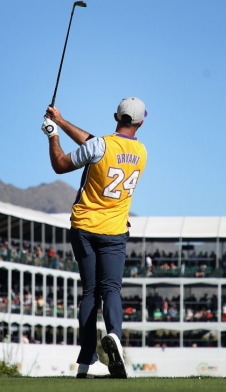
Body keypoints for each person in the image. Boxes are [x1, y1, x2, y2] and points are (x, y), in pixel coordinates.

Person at [42, 97, 148, 379]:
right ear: (141, 122)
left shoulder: (99, 145)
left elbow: (61, 164)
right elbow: (95, 145)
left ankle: (86, 361)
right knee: (111, 290)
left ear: (116, 115)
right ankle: (114, 336)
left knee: (90, 292)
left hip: (84, 228)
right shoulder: (142, 152)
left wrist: (53, 135)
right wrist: (61, 120)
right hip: (115, 231)